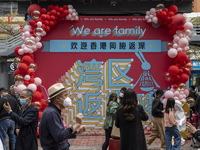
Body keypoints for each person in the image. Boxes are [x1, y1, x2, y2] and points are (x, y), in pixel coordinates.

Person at [40, 83, 85, 150]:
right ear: (58, 99)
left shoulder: (54, 111)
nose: (68, 98)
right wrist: (76, 125)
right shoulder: (51, 113)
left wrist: (77, 131)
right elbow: (59, 137)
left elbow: (59, 134)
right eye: (65, 95)